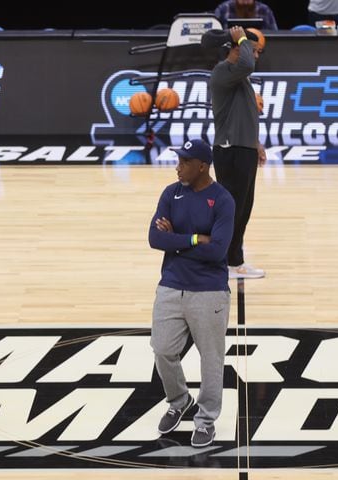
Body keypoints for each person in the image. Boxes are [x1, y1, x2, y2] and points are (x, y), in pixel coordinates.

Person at [148, 138, 234, 448]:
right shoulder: (172, 193)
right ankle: (179, 400)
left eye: (184, 162)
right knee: (162, 349)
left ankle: (206, 419)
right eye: (178, 160)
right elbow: (155, 238)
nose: (178, 166)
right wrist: (197, 239)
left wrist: (178, 241)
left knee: (211, 359)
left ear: (202, 166)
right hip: (170, 286)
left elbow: (219, 251)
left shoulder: (223, 200)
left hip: (209, 291)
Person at [210, 26, 266, 279]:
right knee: (232, 209)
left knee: (243, 209)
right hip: (230, 150)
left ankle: (234, 260)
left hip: (244, 148)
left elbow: (246, 114)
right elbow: (247, 64)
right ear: (235, 49)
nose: (255, 56)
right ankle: (227, 261)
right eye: (252, 51)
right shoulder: (224, 72)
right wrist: (242, 38)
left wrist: (255, 143)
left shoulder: (239, 78)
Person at [214, 0, 279, 31]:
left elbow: (275, 36)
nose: (245, 1)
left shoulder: (264, 10)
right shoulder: (224, 9)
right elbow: (213, 36)